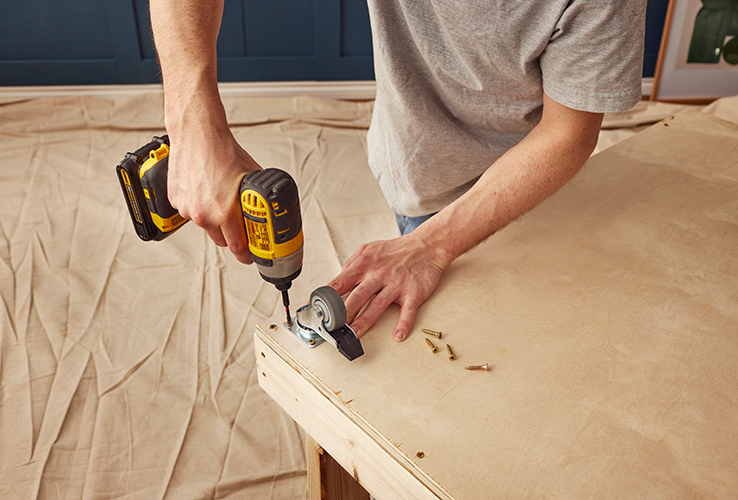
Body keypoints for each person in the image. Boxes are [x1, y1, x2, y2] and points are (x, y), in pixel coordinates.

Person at [149, 0, 647, 342]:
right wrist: (194, 124)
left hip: (532, 194)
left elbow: (569, 133)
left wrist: (429, 246)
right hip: (415, 171)